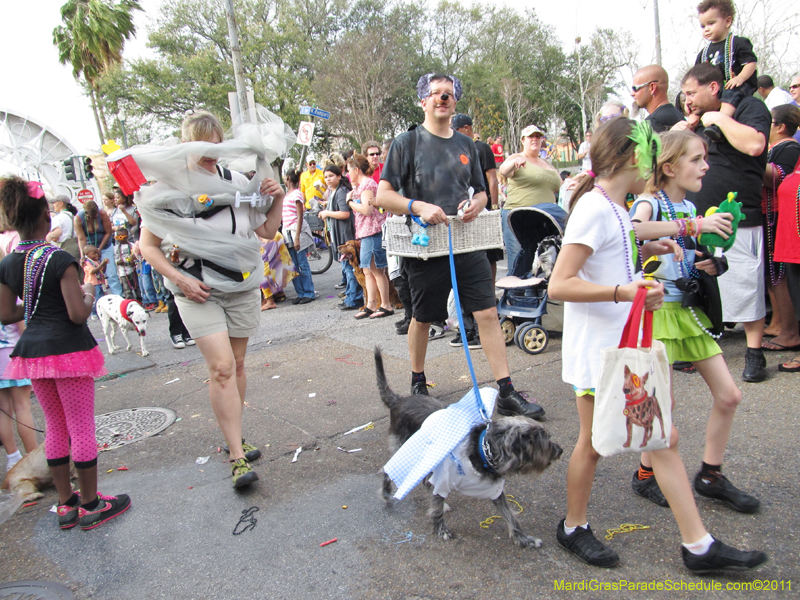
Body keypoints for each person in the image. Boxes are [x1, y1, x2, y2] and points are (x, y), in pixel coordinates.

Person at [548, 118, 766, 572]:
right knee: (594, 444)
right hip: (599, 353)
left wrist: (647, 258)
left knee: (662, 438)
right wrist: (623, 292)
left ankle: (698, 545)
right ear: (633, 157)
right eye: (649, 149)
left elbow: (613, 256)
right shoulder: (594, 207)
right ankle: (573, 527)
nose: (655, 157)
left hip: (622, 348)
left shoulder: (616, 206)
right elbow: (558, 285)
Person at [377, 73, 544, 420]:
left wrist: (479, 203)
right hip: (425, 246)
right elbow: (383, 195)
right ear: (423, 101)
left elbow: (481, 190)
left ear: (455, 102)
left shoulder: (467, 145)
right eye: (435, 94)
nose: (443, 99)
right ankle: (418, 383)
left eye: (448, 95)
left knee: (486, 312)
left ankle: (507, 390)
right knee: (423, 318)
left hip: (466, 243)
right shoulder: (405, 143)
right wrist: (417, 206)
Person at [139, 109, 285, 488]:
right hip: (197, 290)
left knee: (236, 365)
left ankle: (234, 435)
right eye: (201, 144)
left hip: (241, 286)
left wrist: (277, 196)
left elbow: (267, 230)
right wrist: (179, 279)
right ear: (185, 144)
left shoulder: (237, 181)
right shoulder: (168, 187)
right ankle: (237, 455)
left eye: (215, 144)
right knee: (220, 367)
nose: (210, 152)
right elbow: (148, 247)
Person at [629, 129, 760, 514]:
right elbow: (633, 231)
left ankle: (710, 474)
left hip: (689, 313)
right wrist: (694, 228)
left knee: (729, 395)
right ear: (669, 167)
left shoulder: (690, 208)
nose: (706, 166)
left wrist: (712, 261)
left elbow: (693, 253)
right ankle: (645, 475)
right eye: (697, 159)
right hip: (657, 314)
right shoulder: (650, 202)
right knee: (661, 408)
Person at [0, 176, 131, 530]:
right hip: (68, 351)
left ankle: (66, 504)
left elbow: (7, 313)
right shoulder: (59, 258)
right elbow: (77, 313)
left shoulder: (10, 262)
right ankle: (91, 504)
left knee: (55, 427)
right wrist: (88, 289)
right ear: (46, 215)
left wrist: (33, 303)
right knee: (81, 427)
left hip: (34, 354)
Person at [677, 63, 771, 382]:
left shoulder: (749, 106)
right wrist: (689, 125)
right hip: (700, 219)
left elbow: (755, 145)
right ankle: (697, 345)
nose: (686, 99)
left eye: (691, 92)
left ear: (713, 88)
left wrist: (718, 119)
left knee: (745, 282)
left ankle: (754, 351)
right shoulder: (695, 121)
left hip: (739, 216)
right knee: (701, 281)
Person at [498, 124, 564, 272]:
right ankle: (515, 294)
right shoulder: (517, 157)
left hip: (545, 219)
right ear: (523, 140)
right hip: (518, 218)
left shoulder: (546, 163)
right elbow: (503, 170)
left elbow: (560, 184)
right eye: (531, 136)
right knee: (519, 263)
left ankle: (538, 294)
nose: (535, 139)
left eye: (538, 137)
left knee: (545, 263)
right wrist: (514, 164)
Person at [761, 104, 800, 349]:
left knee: (779, 275)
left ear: (781, 126)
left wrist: (750, 157)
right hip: (770, 214)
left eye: (768, 121)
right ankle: (778, 323)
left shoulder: (789, 147)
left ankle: (789, 330)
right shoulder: (775, 148)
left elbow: (779, 178)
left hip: (779, 214)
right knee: (772, 274)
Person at [695, 0, 758, 143]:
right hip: (716, 89)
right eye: (703, 26)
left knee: (731, 91)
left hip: (737, 85)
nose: (706, 29)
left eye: (711, 23)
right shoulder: (703, 53)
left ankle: (718, 123)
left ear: (727, 21)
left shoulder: (739, 43)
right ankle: (694, 120)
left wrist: (740, 78)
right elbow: (696, 77)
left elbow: (750, 63)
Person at [0, 247, 36, 472]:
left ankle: (12, 457)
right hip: (13, 353)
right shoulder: (6, 289)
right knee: (23, 406)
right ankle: (34, 458)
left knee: (3, 409)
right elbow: (20, 325)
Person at [347, 154, 393, 319]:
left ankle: (385, 304)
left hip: (373, 231)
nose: (348, 174)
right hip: (366, 232)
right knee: (368, 269)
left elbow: (367, 210)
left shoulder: (366, 185)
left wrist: (350, 203)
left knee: (376, 270)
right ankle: (371, 304)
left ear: (357, 170)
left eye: (349, 170)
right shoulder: (362, 186)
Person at [319, 164, 362, 311]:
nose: (328, 179)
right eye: (325, 177)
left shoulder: (341, 191)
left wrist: (327, 213)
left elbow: (345, 213)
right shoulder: (333, 192)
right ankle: (351, 296)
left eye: (331, 176)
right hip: (339, 235)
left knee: (350, 269)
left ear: (339, 176)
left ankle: (354, 299)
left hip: (346, 235)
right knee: (346, 269)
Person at [281, 167, 316, 304]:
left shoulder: (296, 194)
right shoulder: (287, 194)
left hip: (296, 231)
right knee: (294, 265)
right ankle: (300, 292)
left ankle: (308, 292)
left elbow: (300, 215)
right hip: (287, 231)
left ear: (288, 178)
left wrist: (296, 237)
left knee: (302, 263)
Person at [74, 200, 122, 297]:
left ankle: (118, 296)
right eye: (93, 215)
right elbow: (81, 238)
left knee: (111, 273)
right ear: (87, 213)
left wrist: (99, 249)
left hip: (104, 246)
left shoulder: (102, 213)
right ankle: (98, 300)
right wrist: (83, 255)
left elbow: (108, 233)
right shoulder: (78, 218)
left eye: (96, 214)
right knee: (93, 277)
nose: (96, 216)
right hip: (89, 249)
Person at [631, 65, 686, 133]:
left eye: (635, 88)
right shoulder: (679, 116)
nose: (632, 93)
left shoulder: (651, 124)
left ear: (652, 88)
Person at [258, 232, 297, 311]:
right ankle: (279, 292)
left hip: (265, 239)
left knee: (263, 270)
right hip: (275, 235)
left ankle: (270, 300)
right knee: (275, 266)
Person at [45, 195, 80, 261]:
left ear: (61, 203)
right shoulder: (74, 216)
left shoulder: (59, 218)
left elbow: (56, 236)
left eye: (55, 203)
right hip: (76, 248)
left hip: (64, 248)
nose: (53, 205)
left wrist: (50, 236)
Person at [82, 244, 108, 319]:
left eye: (97, 253)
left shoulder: (96, 261)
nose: (96, 254)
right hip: (93, 284)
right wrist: (102, 263)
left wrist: (104, 264)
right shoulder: (86, 263)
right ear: (87, 254)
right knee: (96, 298)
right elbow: (93, 271)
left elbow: (102, 270)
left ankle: (102, 312)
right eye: (94, 253)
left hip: (100, 282)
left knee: (102, 297)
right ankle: (94, 313)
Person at [113, 228, 138, 300]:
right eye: (117, 237)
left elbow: (136, 256)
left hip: (133, 270)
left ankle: (140, 299)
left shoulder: (132, 245)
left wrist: (134, 261)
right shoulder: (116, 248)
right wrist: (118, 262)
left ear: (127, 237)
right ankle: (129, 300)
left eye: (121, 237)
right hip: (122, 272)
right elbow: (115, 258)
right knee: (126, 288)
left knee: (136, 285)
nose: (119, 239)